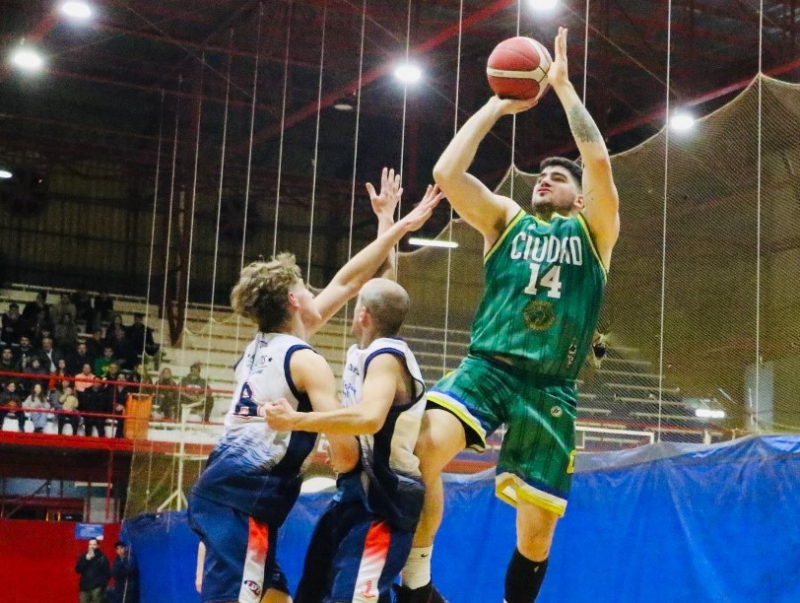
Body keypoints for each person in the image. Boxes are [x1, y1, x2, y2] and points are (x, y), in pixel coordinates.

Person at [395, 29, 620, 603]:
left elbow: (596, 158)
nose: (544, 180)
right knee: (420, 450)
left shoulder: (595, 232)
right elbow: (447, 174)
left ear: (581, 197)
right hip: (488, 368)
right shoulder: (505, 219)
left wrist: (565, 90)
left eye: (559, 178)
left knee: (537, 532)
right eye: (541, 175)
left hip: (550, 387)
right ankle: (418, 582)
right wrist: (497, 103)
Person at [188, 171, 440, 603]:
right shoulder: (305, 359)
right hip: (244, 501)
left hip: (231, 496)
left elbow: (352, 283)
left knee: (277, 598)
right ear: (293, 301)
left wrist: (389, 226)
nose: (313, 288)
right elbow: (344, 456)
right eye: (303, 285)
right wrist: (332, 436)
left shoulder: (267, 345)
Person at [265, 278, 426, 603]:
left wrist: (297, 420)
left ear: (363, 314)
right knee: (311, 592)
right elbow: (386, 276)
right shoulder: (367, 352)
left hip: (384, 498)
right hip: (353, 493)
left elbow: (370, 417)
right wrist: (387, 230)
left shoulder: (385, 357)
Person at [75, 538, 111, 603]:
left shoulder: (102, 558)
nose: (92, 546)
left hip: (96, 589)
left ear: (98, 546)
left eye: (94, 544)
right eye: (90, 544)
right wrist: (86, 559)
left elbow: (107, 574)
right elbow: (78, 570)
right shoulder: (83, 556)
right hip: (84, 588)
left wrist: (101, 587)